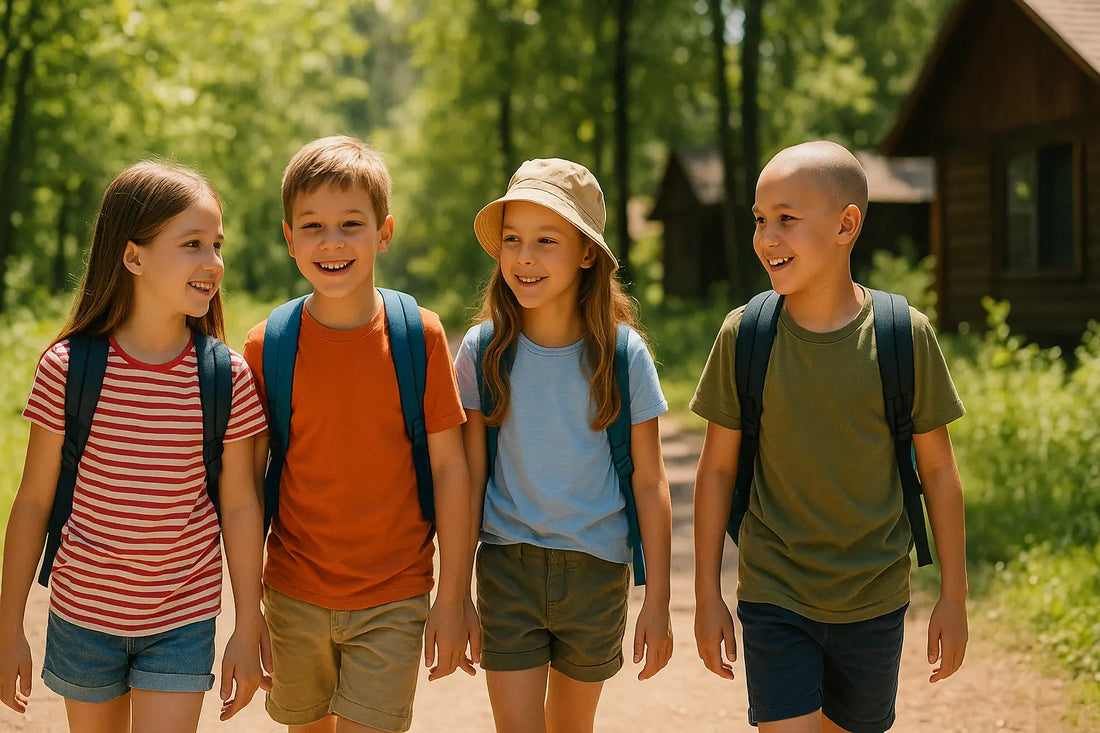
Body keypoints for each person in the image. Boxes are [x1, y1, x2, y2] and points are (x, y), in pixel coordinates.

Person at [692, 140, 969, 732]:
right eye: (760, 221)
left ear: (847, 225)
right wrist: (707, 595)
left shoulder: (903, 336)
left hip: (875, 597)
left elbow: (940, 473)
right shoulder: (745, 336)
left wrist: (954, 595)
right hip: (775, 591)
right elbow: (716, 470)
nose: (768, 238)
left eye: (787, 220)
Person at [0, 161, 269, 731]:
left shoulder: (225, 376)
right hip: (83, 616)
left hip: (183, 617)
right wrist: (7, 628)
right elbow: (32, 503)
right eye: (192, 244)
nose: (212, 263)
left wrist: (249, 626)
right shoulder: (68, 369)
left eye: (217, 245)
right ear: (134, 256)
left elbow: (242, 506)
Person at [242, 135, 476, 733]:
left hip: (393, 594)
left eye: (351, 223)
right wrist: (249, 614)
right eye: (313, 226)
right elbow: (246, 489)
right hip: (293, 592)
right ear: (289, 237)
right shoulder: (267, 347)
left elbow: (451, 469)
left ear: (384, 232)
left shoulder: (416, 337)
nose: (332, 241)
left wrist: (453, 597)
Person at [454, 158, 674, 733]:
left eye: (546, 240)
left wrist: (657, 601)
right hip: (506, 566)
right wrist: (454, 596)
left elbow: (651, 483)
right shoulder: (481, 351)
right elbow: (469, 477)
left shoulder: (624, 357)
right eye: (513, 240)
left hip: (596, 572)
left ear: (585, 254)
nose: (524, 257)